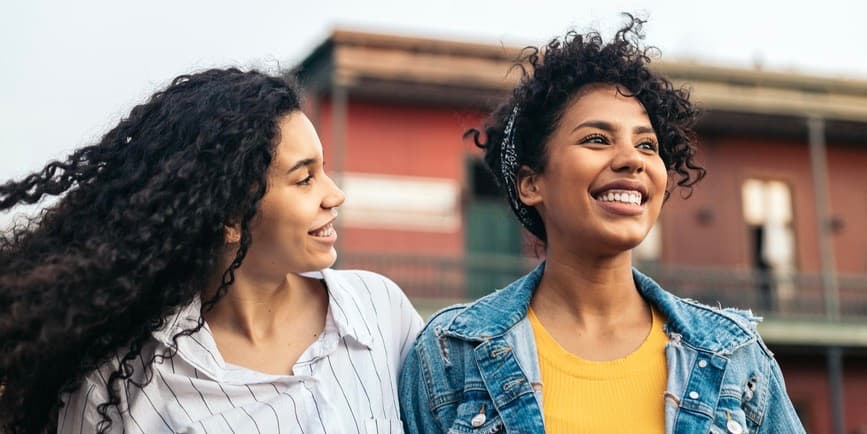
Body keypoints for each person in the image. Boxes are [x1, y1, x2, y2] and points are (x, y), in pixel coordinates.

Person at [398, 16, 805, 434]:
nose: (633, 159)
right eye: (597, 139)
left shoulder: (735, 357)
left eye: (647, 144)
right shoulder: (450, 355)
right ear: (531, 183)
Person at [0, 68, 423, 434]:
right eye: (304, 179)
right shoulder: (118, 385)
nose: (336, 196)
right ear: (229, 216)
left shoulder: (380, 312)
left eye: (323, 170)